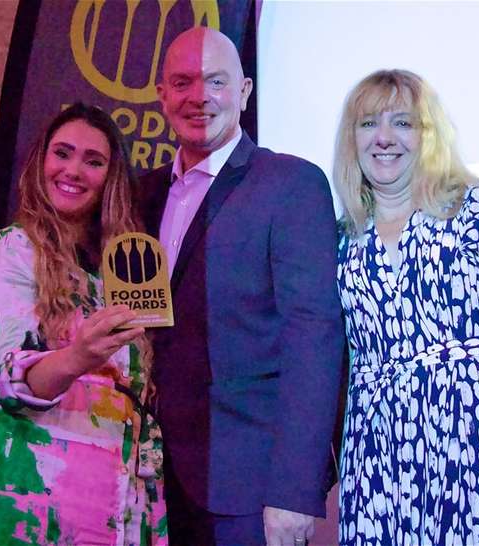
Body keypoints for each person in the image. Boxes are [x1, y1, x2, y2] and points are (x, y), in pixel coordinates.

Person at [137, 27, 344, 546]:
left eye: (216, 82)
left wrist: (296, 489)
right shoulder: (140, 195)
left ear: (246, 92)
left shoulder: (290, 184)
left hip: (251, 490)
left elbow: (313, 339)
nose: (199, 97)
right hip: (151, 485)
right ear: (162, 94)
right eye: (182, 82)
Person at [0, 103, 167, 546]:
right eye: (63, 153)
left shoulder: (123, 270)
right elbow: (8, 372)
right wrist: (78, 356)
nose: (73, 170)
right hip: (23, 496)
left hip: (115, 501)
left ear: (111, 178)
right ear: (41, 162)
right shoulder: (11, 249)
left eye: (93, 161)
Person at [333, 69, 479, 546]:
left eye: (403, 123)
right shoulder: (341, 238)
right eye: (368, 123)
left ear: (428, 135)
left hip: (476, 455)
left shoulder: (476, 208)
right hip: (378, 468)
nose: (384, 138)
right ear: (352, 138)